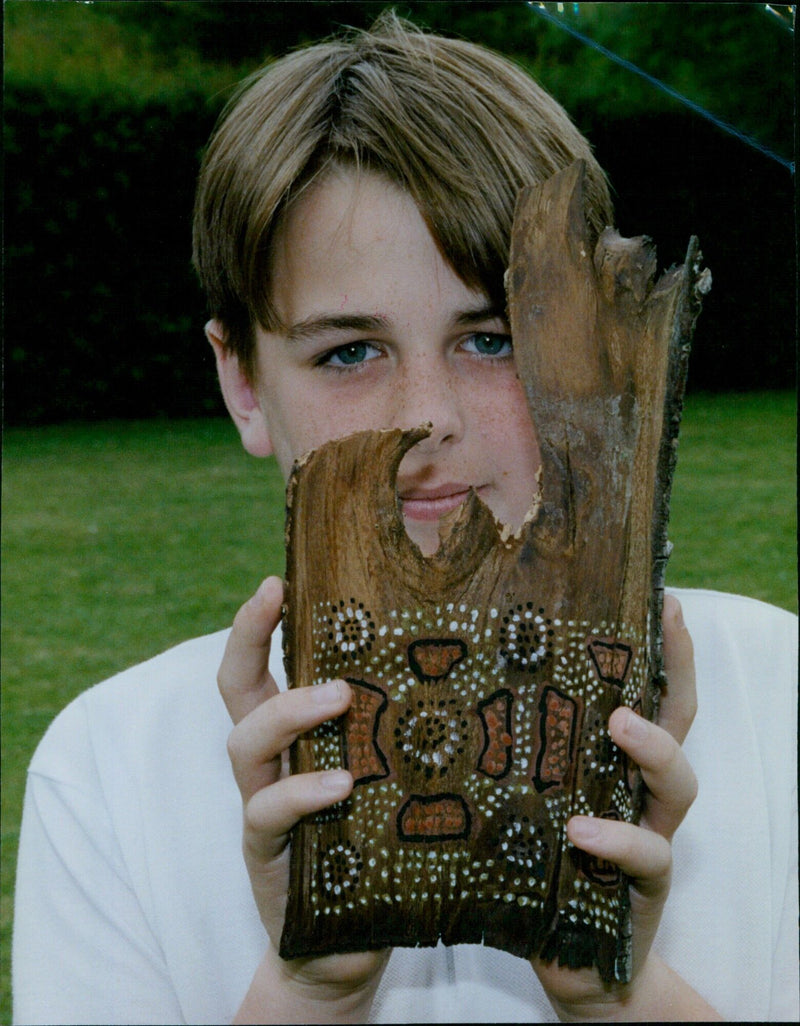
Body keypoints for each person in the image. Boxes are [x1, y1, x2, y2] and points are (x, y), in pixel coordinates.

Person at [13, 14, 798, 1024]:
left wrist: (617, 995)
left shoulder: (776, 698)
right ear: (244, 384)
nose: (426, 414)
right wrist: (311, 984)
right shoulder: (109, 771)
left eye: (491, 339)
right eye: (348, 352)